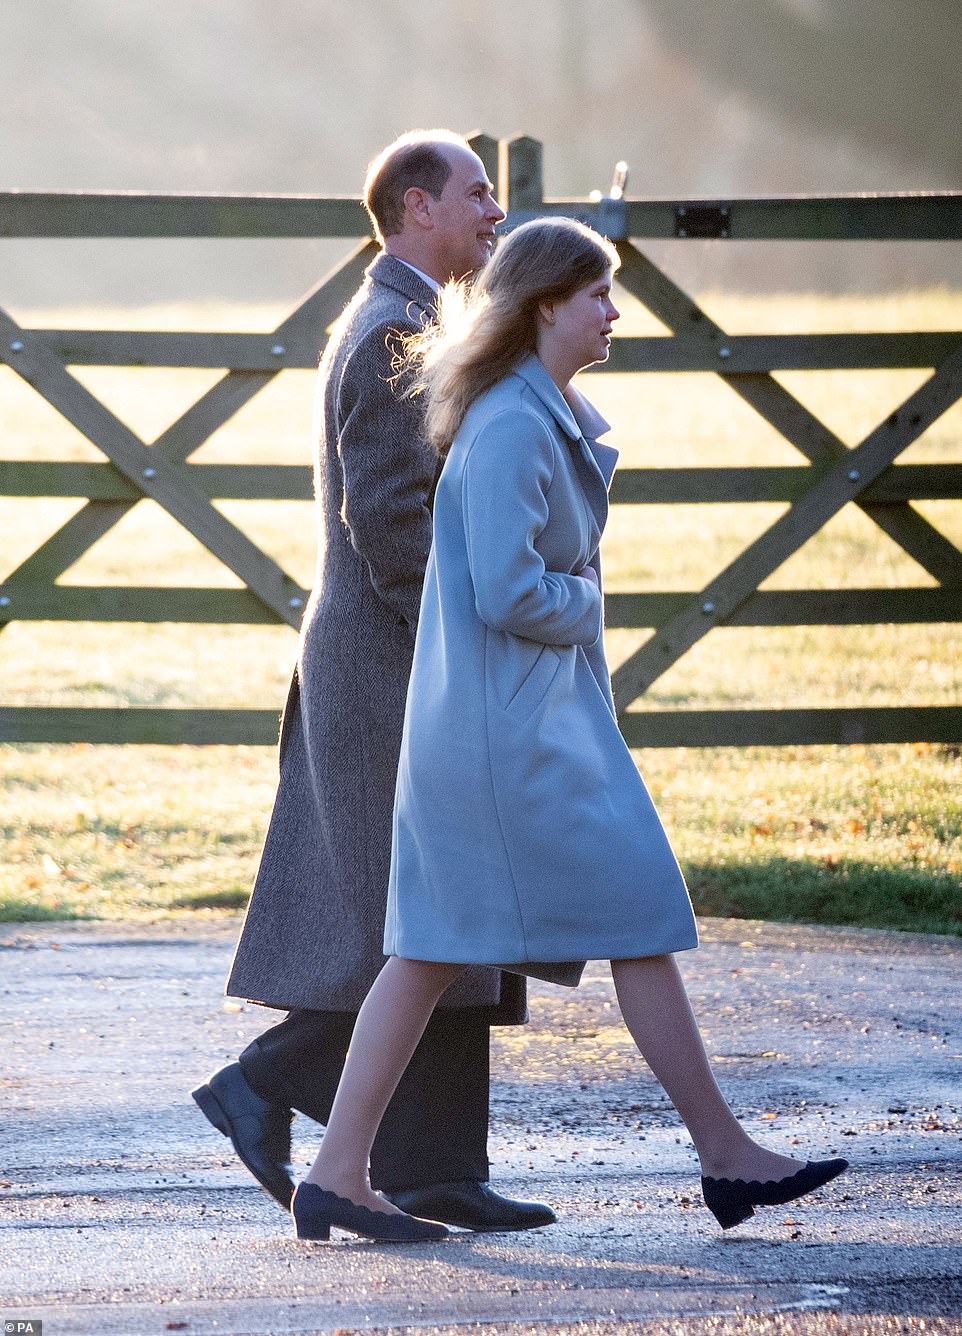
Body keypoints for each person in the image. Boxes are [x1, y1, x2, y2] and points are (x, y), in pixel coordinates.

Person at [287, 217, 849, 1244]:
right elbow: (507, 590)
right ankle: (721, 1152)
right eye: (596, 293)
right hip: (513, 746)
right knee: (598, 914)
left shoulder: (532, 412)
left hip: (516, 730)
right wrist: (586, 601)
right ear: (546, 303)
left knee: (433, 949)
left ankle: (335, 1173)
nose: (613, 311)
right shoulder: (509, 425)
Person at [192, 130, 556, 1234]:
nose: (495, 211)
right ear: (415, 207)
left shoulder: (415, 318)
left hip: (400, 655)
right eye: (477, 192)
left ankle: (436, 1166)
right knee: (423, 916)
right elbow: (391, 519)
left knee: (446, 900)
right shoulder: (394, 331)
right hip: (389, 662)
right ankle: (259, 1084)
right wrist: (473, 633)